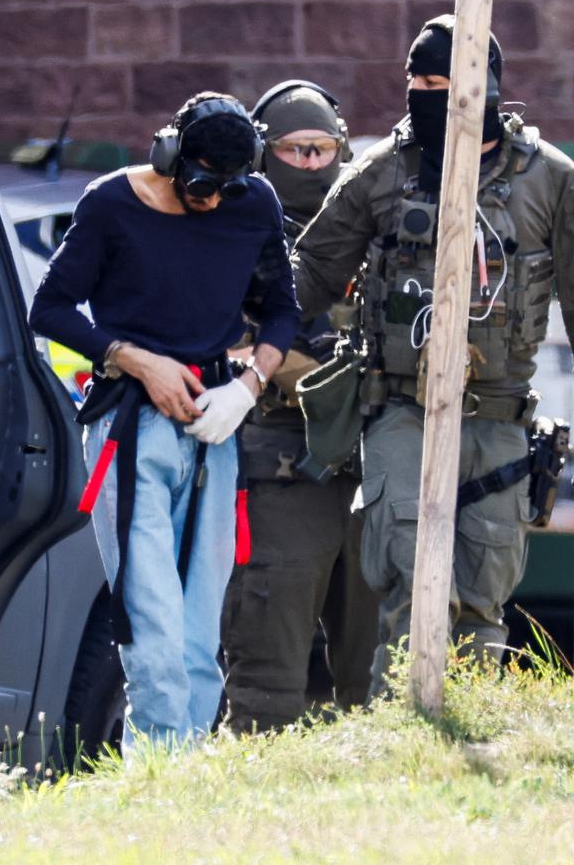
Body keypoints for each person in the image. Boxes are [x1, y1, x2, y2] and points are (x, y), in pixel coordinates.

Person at [291, 15, 574, 685]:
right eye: (417, 81)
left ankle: (469, 729)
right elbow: (306, 275)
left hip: (499, 416)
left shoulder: (550, 180)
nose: (425, 95)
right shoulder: (382, 171)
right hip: (401, 408)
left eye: (442, 83)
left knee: (482, 595)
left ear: (483, 88)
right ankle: (405, 734)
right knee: (408, 578)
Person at [29, 92, 301, 753]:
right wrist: (138, 360)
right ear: (171, 154)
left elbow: (282, 313)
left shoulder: (254, 203)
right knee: (150, 621)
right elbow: (51, 308)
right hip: (131, 428)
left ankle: (185, 775)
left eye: (226, 189)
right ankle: (157, 767)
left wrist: (248, 385)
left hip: (215, 426)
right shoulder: (110, 205)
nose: (211, 201)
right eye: (202, 184)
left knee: (200, 625)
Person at [220, 81, 378, 733]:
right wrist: (321, 380)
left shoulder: (374, 229)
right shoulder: (234, 231)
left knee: (379, 683)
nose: (312, 164)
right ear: (264, 154)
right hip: (284, 469)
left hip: (373, 471)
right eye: (295, 150)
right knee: (266, 678)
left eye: (324, 150)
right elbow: (227, 335)